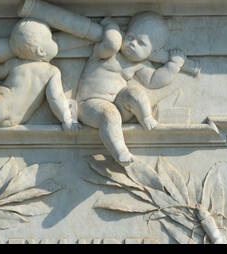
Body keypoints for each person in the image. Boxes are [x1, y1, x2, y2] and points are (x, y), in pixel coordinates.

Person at [76, 13, 184, 166]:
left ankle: (145, 117)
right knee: (110, 114)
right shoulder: (107, 53)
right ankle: (120, 151)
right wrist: (111, 26)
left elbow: (154, 81)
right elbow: (110, 43)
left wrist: (174, 65)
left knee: (134, 92)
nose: (133, 44)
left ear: (152, 53)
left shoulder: (140, 65)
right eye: (130, 37)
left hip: (119, 106)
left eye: (141, 43)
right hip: (90, 105)